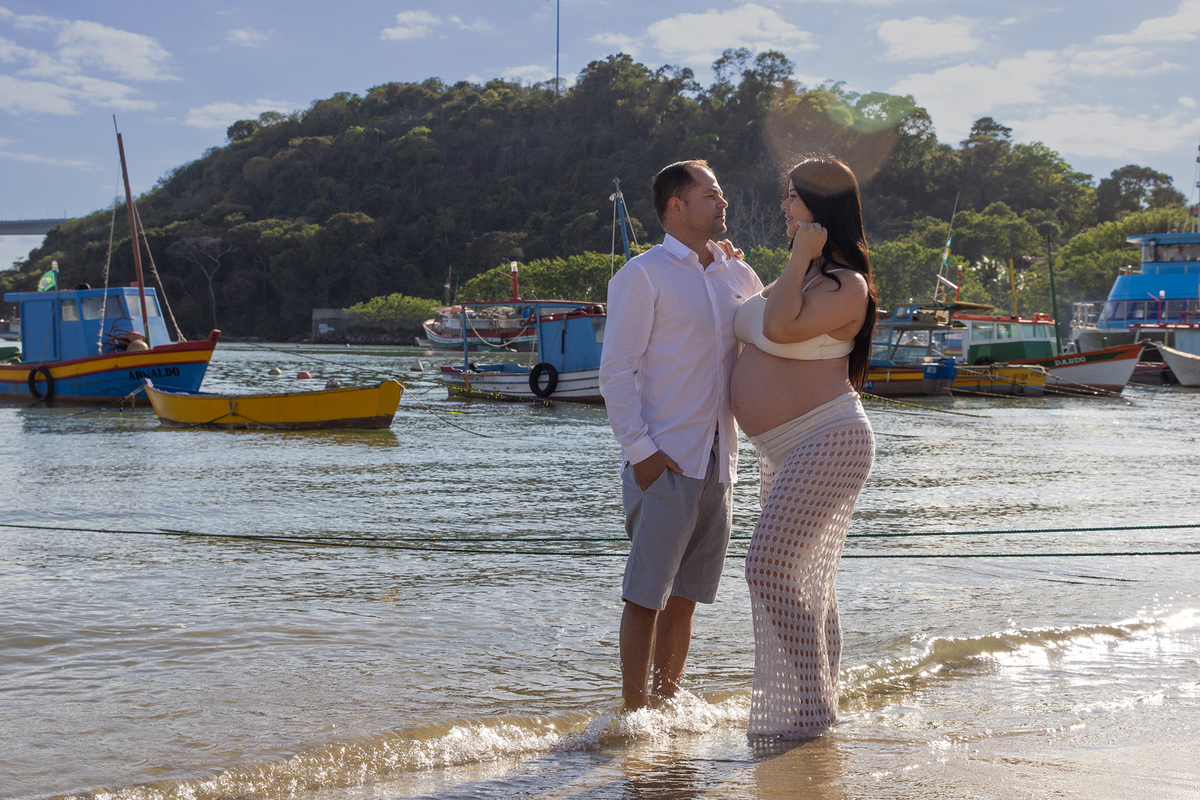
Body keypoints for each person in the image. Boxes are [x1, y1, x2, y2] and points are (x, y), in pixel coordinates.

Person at [600, 159, 764, 711]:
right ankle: (633, 717)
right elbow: (615, 372)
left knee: (688, 596)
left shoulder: (739, 275)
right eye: (711, 195)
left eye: (721, 194)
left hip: (720, 461)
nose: (723, 202)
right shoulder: (642, 275)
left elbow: (765, 339)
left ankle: (666, 709)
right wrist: (641, 453)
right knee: (646, 595)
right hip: (665, 459)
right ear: (677, 206)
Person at [730, 154, 877, 737]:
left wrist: (798, 257)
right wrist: (728, 268)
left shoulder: (847, 284)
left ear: (820, 205)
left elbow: (780, 328)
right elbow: (756, 315)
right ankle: (816, 709)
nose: (784, 206)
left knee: (766, 565)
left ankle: (813, 704)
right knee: (811, 580)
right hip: (784, 448)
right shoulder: (807, 276)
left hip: (827, 436)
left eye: (792, 196)